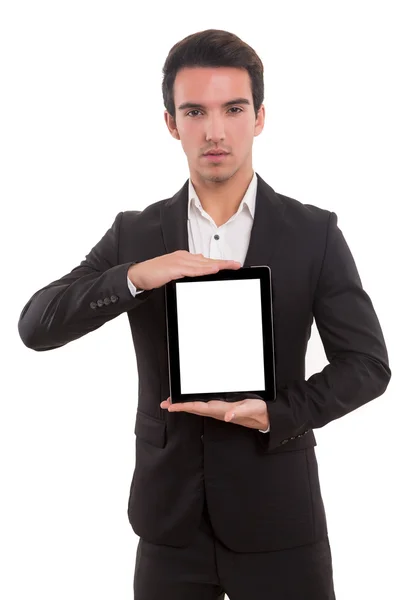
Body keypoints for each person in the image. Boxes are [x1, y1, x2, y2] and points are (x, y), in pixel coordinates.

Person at [18, 28, 391, 600]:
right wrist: (136, 276)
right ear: (171, 122)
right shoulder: (135, 233)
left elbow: (367, 364)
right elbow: (36, 326)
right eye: (195, 111)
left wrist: (274, 413)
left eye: (233, 109)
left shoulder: (314, 232)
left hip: (280, 519)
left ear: (260, 116)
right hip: (170, 525)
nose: (215, 130)